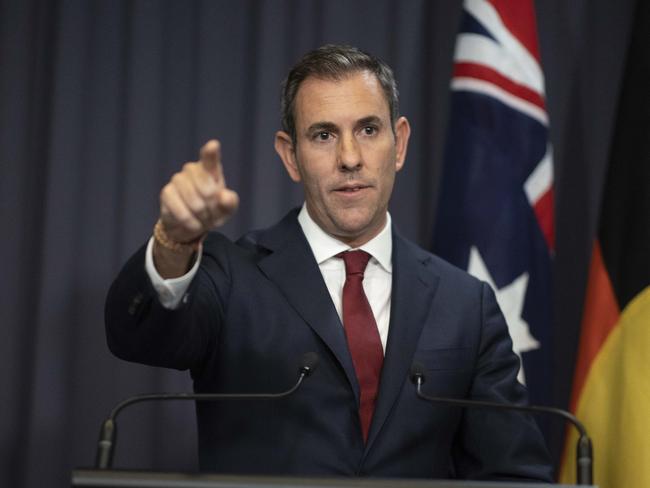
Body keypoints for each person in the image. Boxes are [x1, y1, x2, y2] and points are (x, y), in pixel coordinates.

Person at [105, 44, 553, 481]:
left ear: (399, 145)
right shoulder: (232, 274)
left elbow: (513, 473)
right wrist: (174, 242)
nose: (350, 159)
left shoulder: (466, 304)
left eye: (368, 130)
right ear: (290, 155)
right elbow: (140, 338)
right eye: (323, 135)